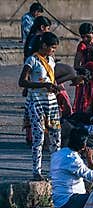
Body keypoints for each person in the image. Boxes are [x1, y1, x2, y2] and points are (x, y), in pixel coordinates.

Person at [19, 32, 61, 180]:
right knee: (39, 138)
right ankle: (36, 171)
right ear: (44, 46)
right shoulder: (33, 60)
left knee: (56, 138)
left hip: (51, 102)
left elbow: (51, 79)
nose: (53, 50)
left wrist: (54, 87)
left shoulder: (51, 60)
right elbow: (22, 82)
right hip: (36, 102)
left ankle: (55, 171)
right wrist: (43, 85)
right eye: (52, 47)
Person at [50, 126, 93, 208]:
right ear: (84, 146)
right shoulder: (74, 160)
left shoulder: (58, 154)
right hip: (68, 201)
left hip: (59, 201)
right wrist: (89, 158)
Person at [73, 23, 93, 116]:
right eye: (83, 37)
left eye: (88, 37)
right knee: (84, 102)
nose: (85, 39)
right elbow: (76, 65)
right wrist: (87, 68)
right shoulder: (82, 46)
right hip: (86, 77)